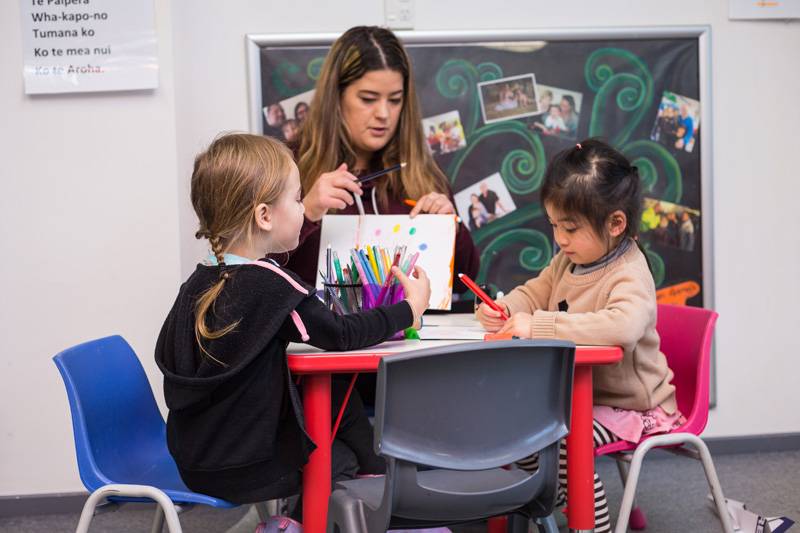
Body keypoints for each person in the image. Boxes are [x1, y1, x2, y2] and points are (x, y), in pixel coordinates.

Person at [155, 133, 431, 507]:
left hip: (194, 462)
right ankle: (299, 519)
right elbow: (343, 334)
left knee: (330, 388)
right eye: (298, 199)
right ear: (264, 216)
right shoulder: (272, 285)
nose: (305, 209)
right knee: (340, 461)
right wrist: (409, 309)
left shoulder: (199, 281)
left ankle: (375, 465)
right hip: (251, 468)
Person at [476, 139, 682, 533]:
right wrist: (505, 309)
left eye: (569, 228)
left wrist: (536, 325)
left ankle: (588, 524)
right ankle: (540, 503)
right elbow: (534, 291)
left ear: (615, 223)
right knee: (523, 433)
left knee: (566, 445)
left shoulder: (628, 272)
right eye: (554, 225)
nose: (560, 239)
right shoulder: (569, 260)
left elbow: (621, 327)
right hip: (579, 395)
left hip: (633, 407)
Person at [287, 26, 479, 294]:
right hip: (320, 335)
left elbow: (465, 278)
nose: (384, 114)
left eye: (395, 100)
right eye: (368, 99)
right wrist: (306, 213)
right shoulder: (288, 168)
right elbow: (260, 276)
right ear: (336, 97)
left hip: (417, 334)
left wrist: (452, 228)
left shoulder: (420, 172)